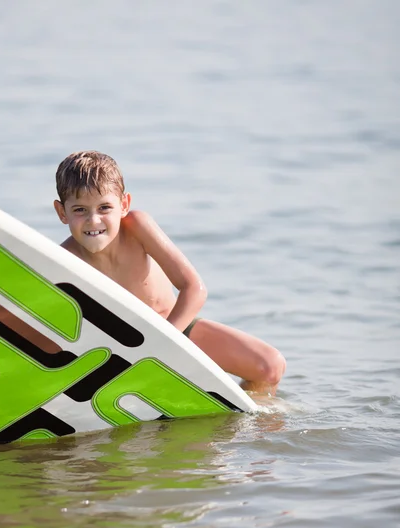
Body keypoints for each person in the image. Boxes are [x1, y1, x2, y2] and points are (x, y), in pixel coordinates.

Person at [53, 151, 286, 394]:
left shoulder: (137, 227)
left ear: (123, 205)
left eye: (104, 207)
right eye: (80, 210)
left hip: (175, 331)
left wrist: (165, 344)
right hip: (119, 350)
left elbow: (194, 289)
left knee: (269, 366)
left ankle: (253, 421)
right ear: (62, 212)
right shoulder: (62, 259)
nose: (94, 220)